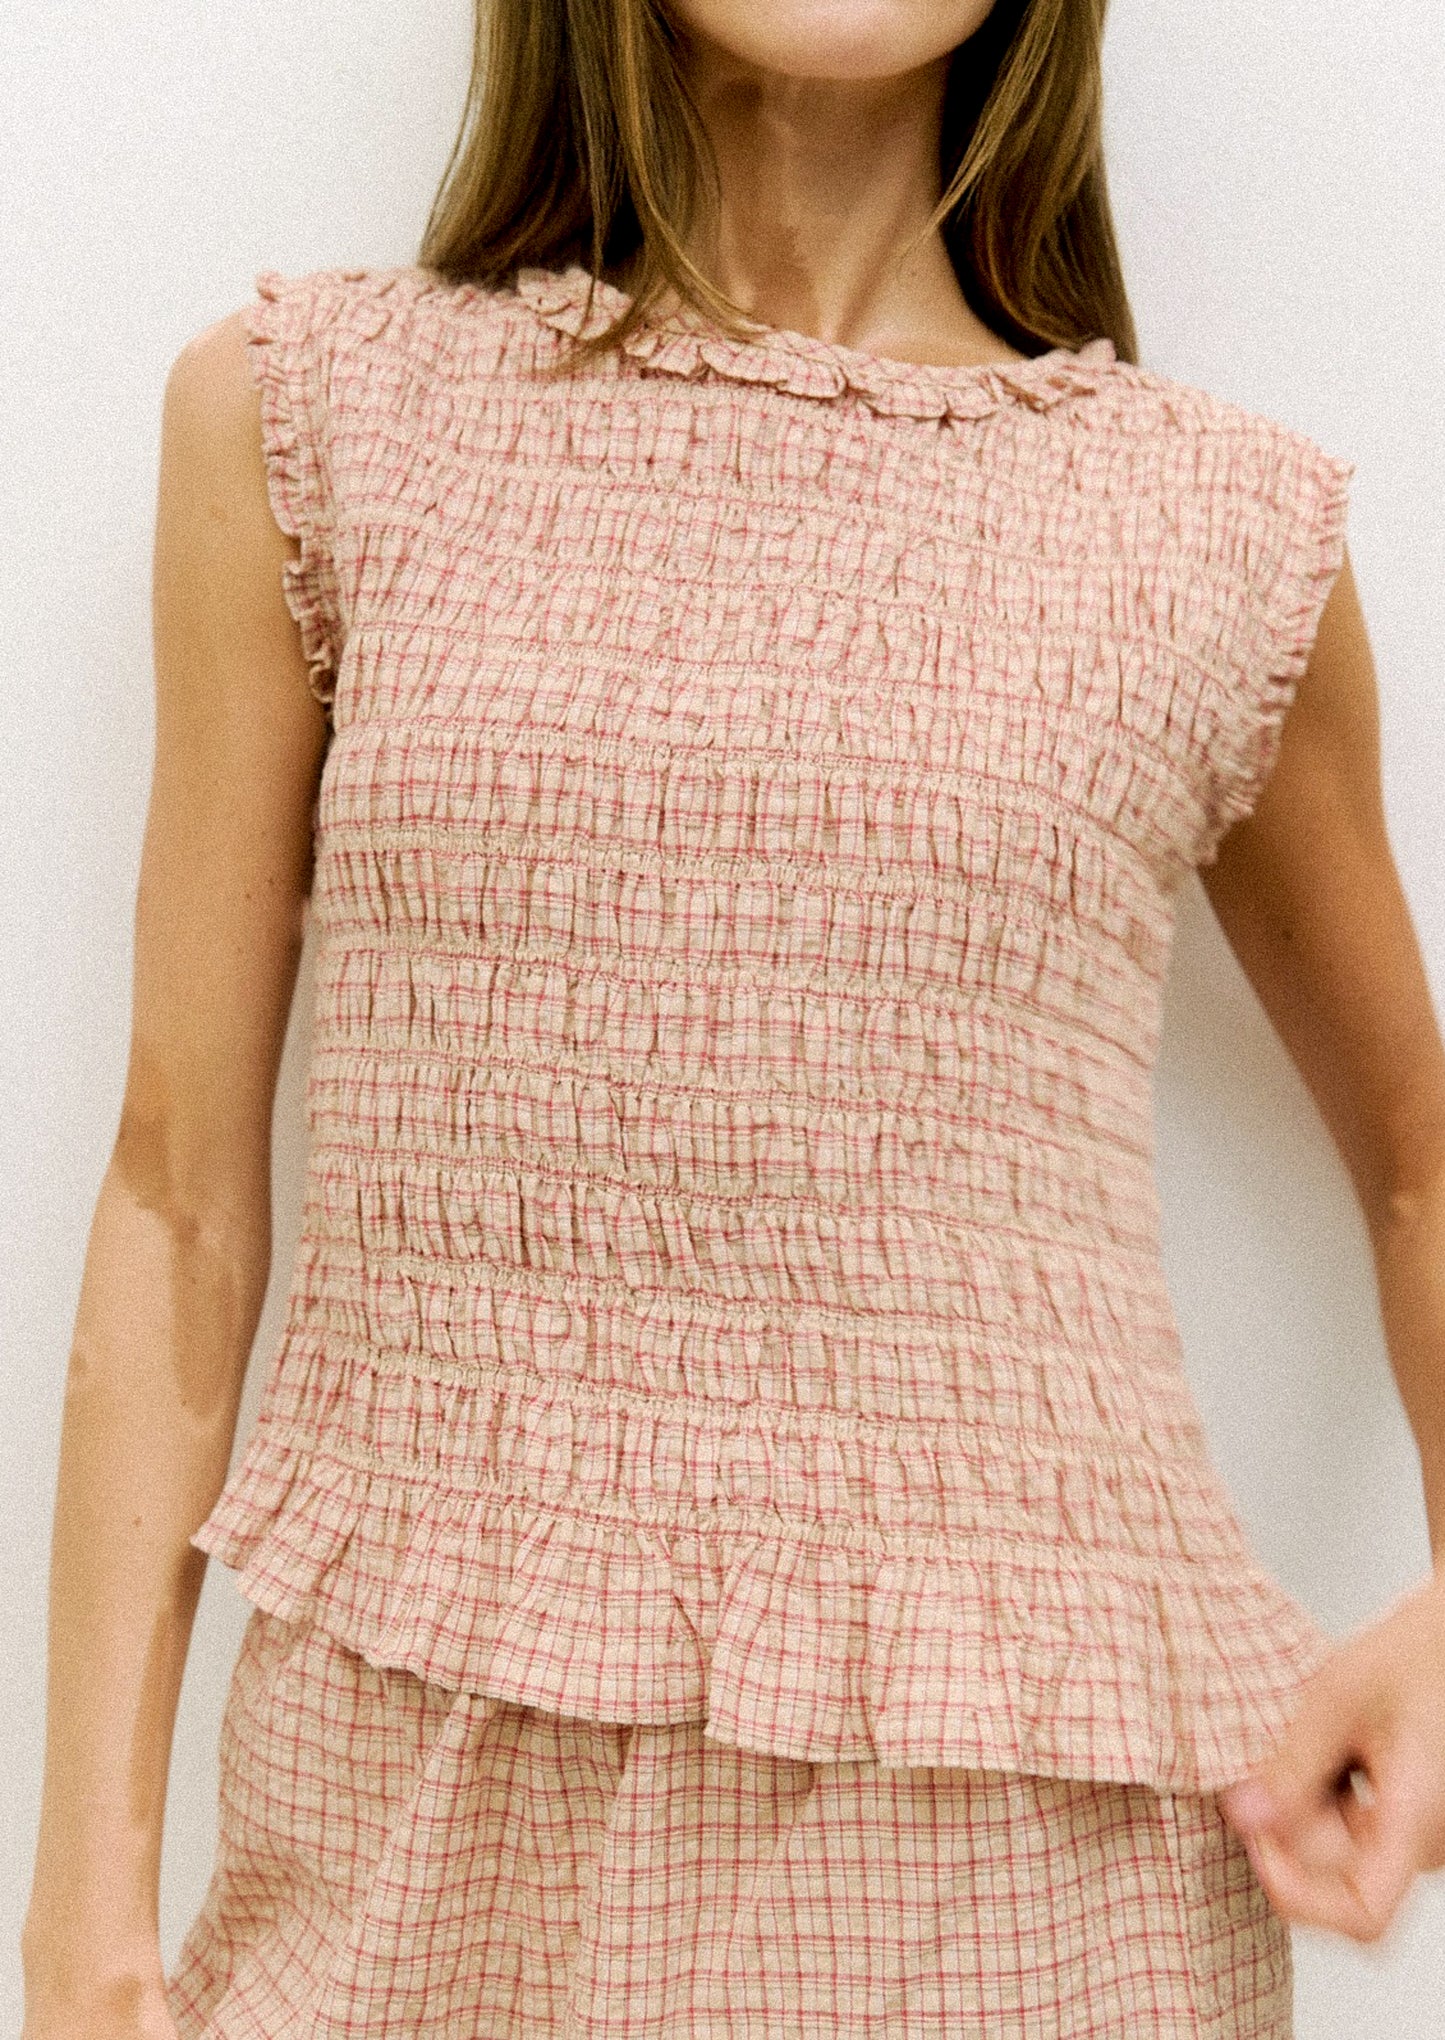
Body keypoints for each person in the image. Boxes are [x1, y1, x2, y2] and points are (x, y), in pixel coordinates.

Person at [20, 1, 1445, 2035]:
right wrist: (82, 1913)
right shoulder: (313, 416)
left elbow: (1419, 1160)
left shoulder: (1217, 533)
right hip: (421, 1869)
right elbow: (175, 1199)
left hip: (1027, 1898)